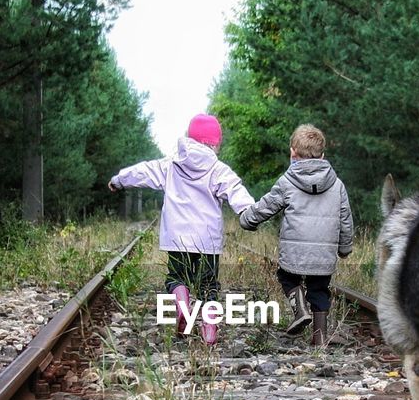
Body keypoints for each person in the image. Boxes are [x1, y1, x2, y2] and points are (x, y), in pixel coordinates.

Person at [109, 114, 254, 345]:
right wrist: (249, 211)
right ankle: (209, 332)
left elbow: (142, 172)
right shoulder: (218, 169)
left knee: (176, 278)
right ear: (216, 143)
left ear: (189, 138)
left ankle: (183, 309)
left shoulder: (170, 165)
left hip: (177, 239)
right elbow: (236, 190)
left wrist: (118, 180)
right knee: (208, 286)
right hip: (207, 241)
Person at [239, 123, 353, 345]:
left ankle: (300, 310)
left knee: (286, 277)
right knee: (320, 290)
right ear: (323, 154)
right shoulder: (337, 185)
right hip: (324, 256)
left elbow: (266, 206)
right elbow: (345, 218)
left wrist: (247, 220)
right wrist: (345, 248)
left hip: (294, 254)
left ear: (293, 152)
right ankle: (319, 339)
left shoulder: (287, 181)